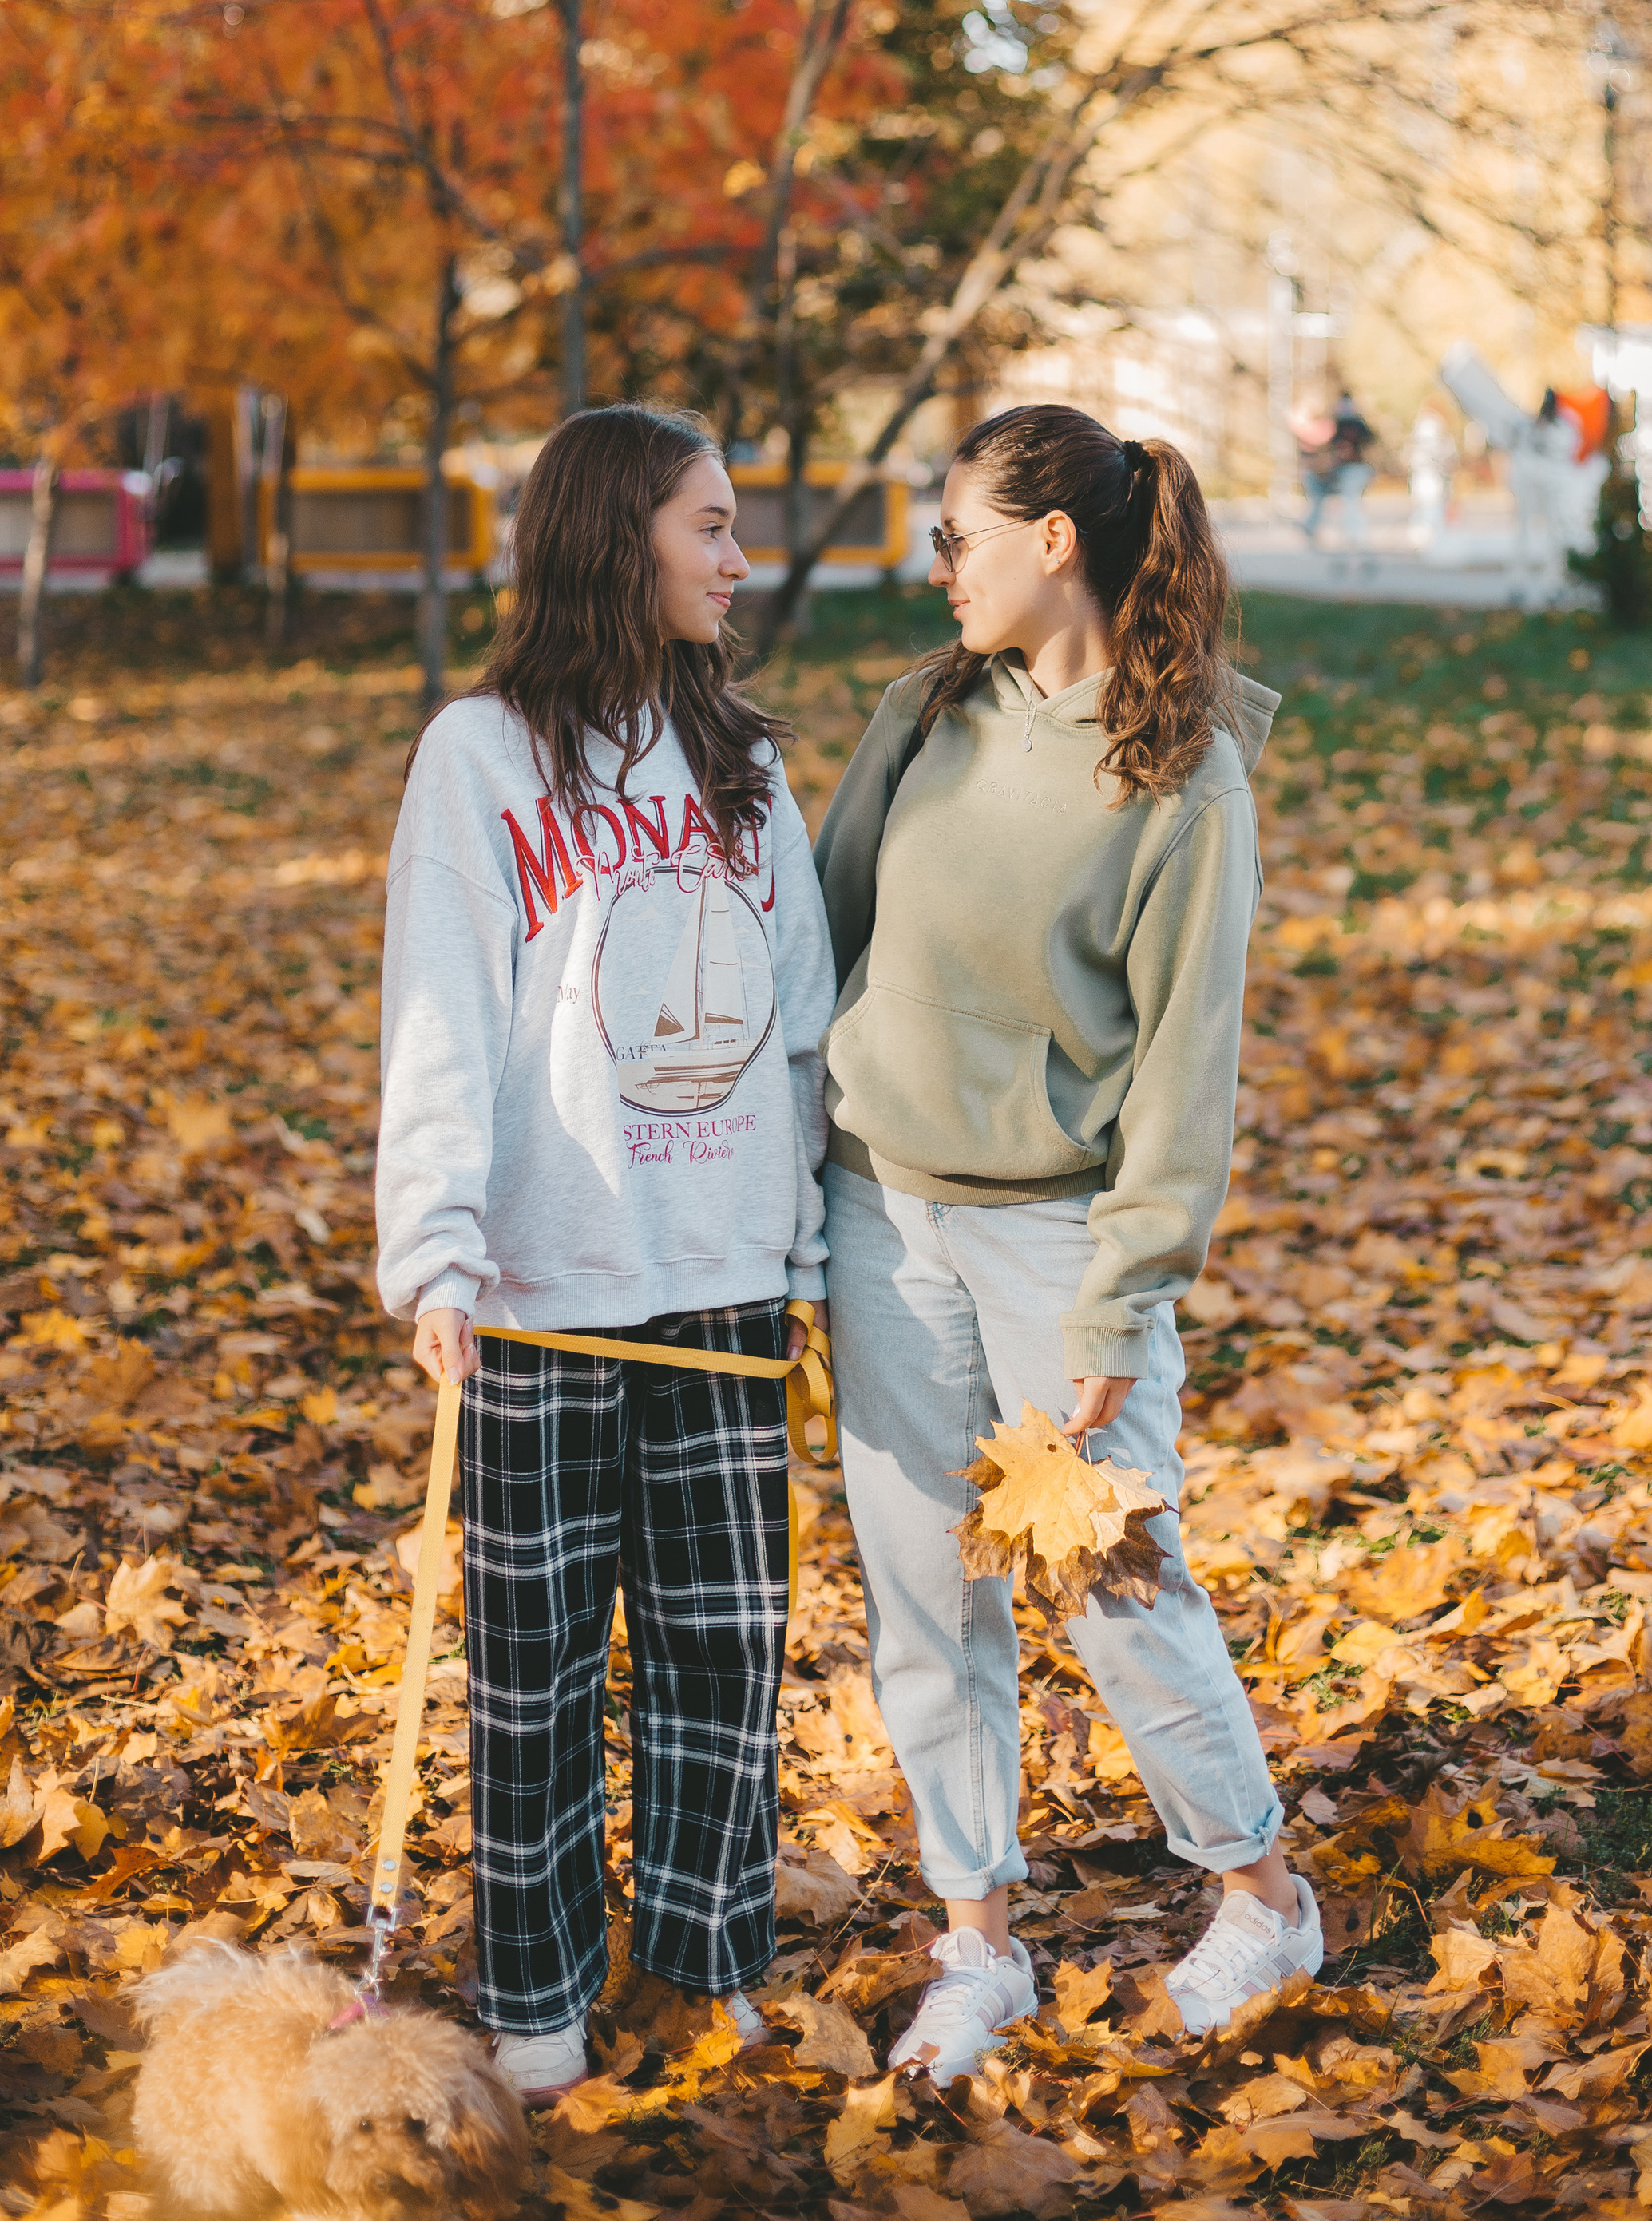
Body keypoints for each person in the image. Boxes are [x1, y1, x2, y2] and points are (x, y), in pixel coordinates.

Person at [814, 402, 1319, 2088]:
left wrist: (1126, 1293)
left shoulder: (1183, 775)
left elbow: (1186, 1067)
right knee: (922, 1599)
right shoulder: (924, 714)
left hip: (1055, 1245)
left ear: (1050, 543)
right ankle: (975, 1949)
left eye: (954, 532)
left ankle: (1257, 1894)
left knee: (1109, 1586)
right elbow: (824, 935)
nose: (933, 564)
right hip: (878, 1212)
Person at [374, 406, 834, 2104]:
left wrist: (801, 1254)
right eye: (707, 527)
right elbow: (438, 1017)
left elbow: (801, 1026)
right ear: (613, 539)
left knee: (723, 1642)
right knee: (538, 1662)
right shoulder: (479, 756)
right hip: (545, 1291)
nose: (734, 559)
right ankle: (538, 1991)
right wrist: (431, 1252)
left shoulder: (747, 762)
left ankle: (706, 1960)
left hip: (714, 1282)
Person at [1297, 386, 1375, 549]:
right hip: (1336, 470)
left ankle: (1355, 535)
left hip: (1354, 468)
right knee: (1321, 495)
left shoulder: (1358, 424)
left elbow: (1369, 441)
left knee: (1351, 499)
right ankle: (1311, 525)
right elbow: (1324, 446)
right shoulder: (1336, 424)